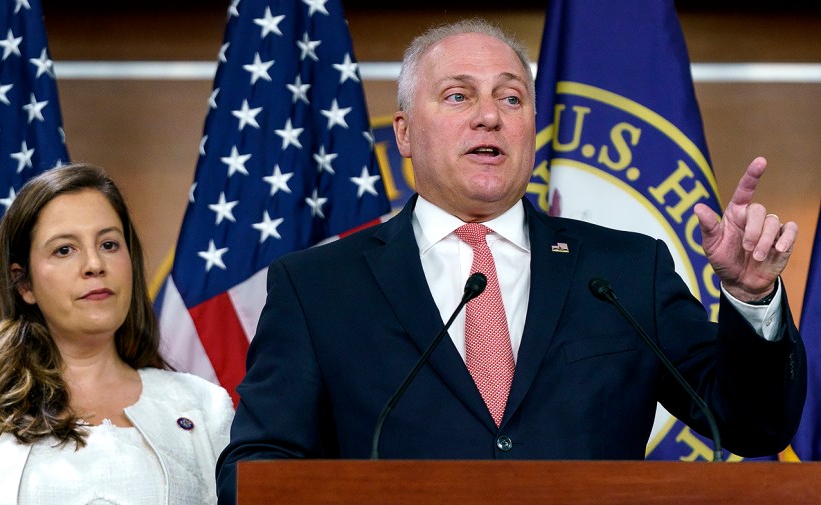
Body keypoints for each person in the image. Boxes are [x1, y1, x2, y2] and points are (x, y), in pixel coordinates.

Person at [215, 18, 806, 503]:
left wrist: (751, 299)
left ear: (529, 127)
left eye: (510, 96)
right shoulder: (319, 286)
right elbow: (256, 468)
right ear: (403, 132)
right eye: (457, 95)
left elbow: (751, 425)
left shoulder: (625, 270)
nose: (489, 115)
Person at [0, 164, 234, 504]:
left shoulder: (204, 407)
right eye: (65, 249)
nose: (94, 264)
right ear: (24, 284)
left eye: (110, 244)